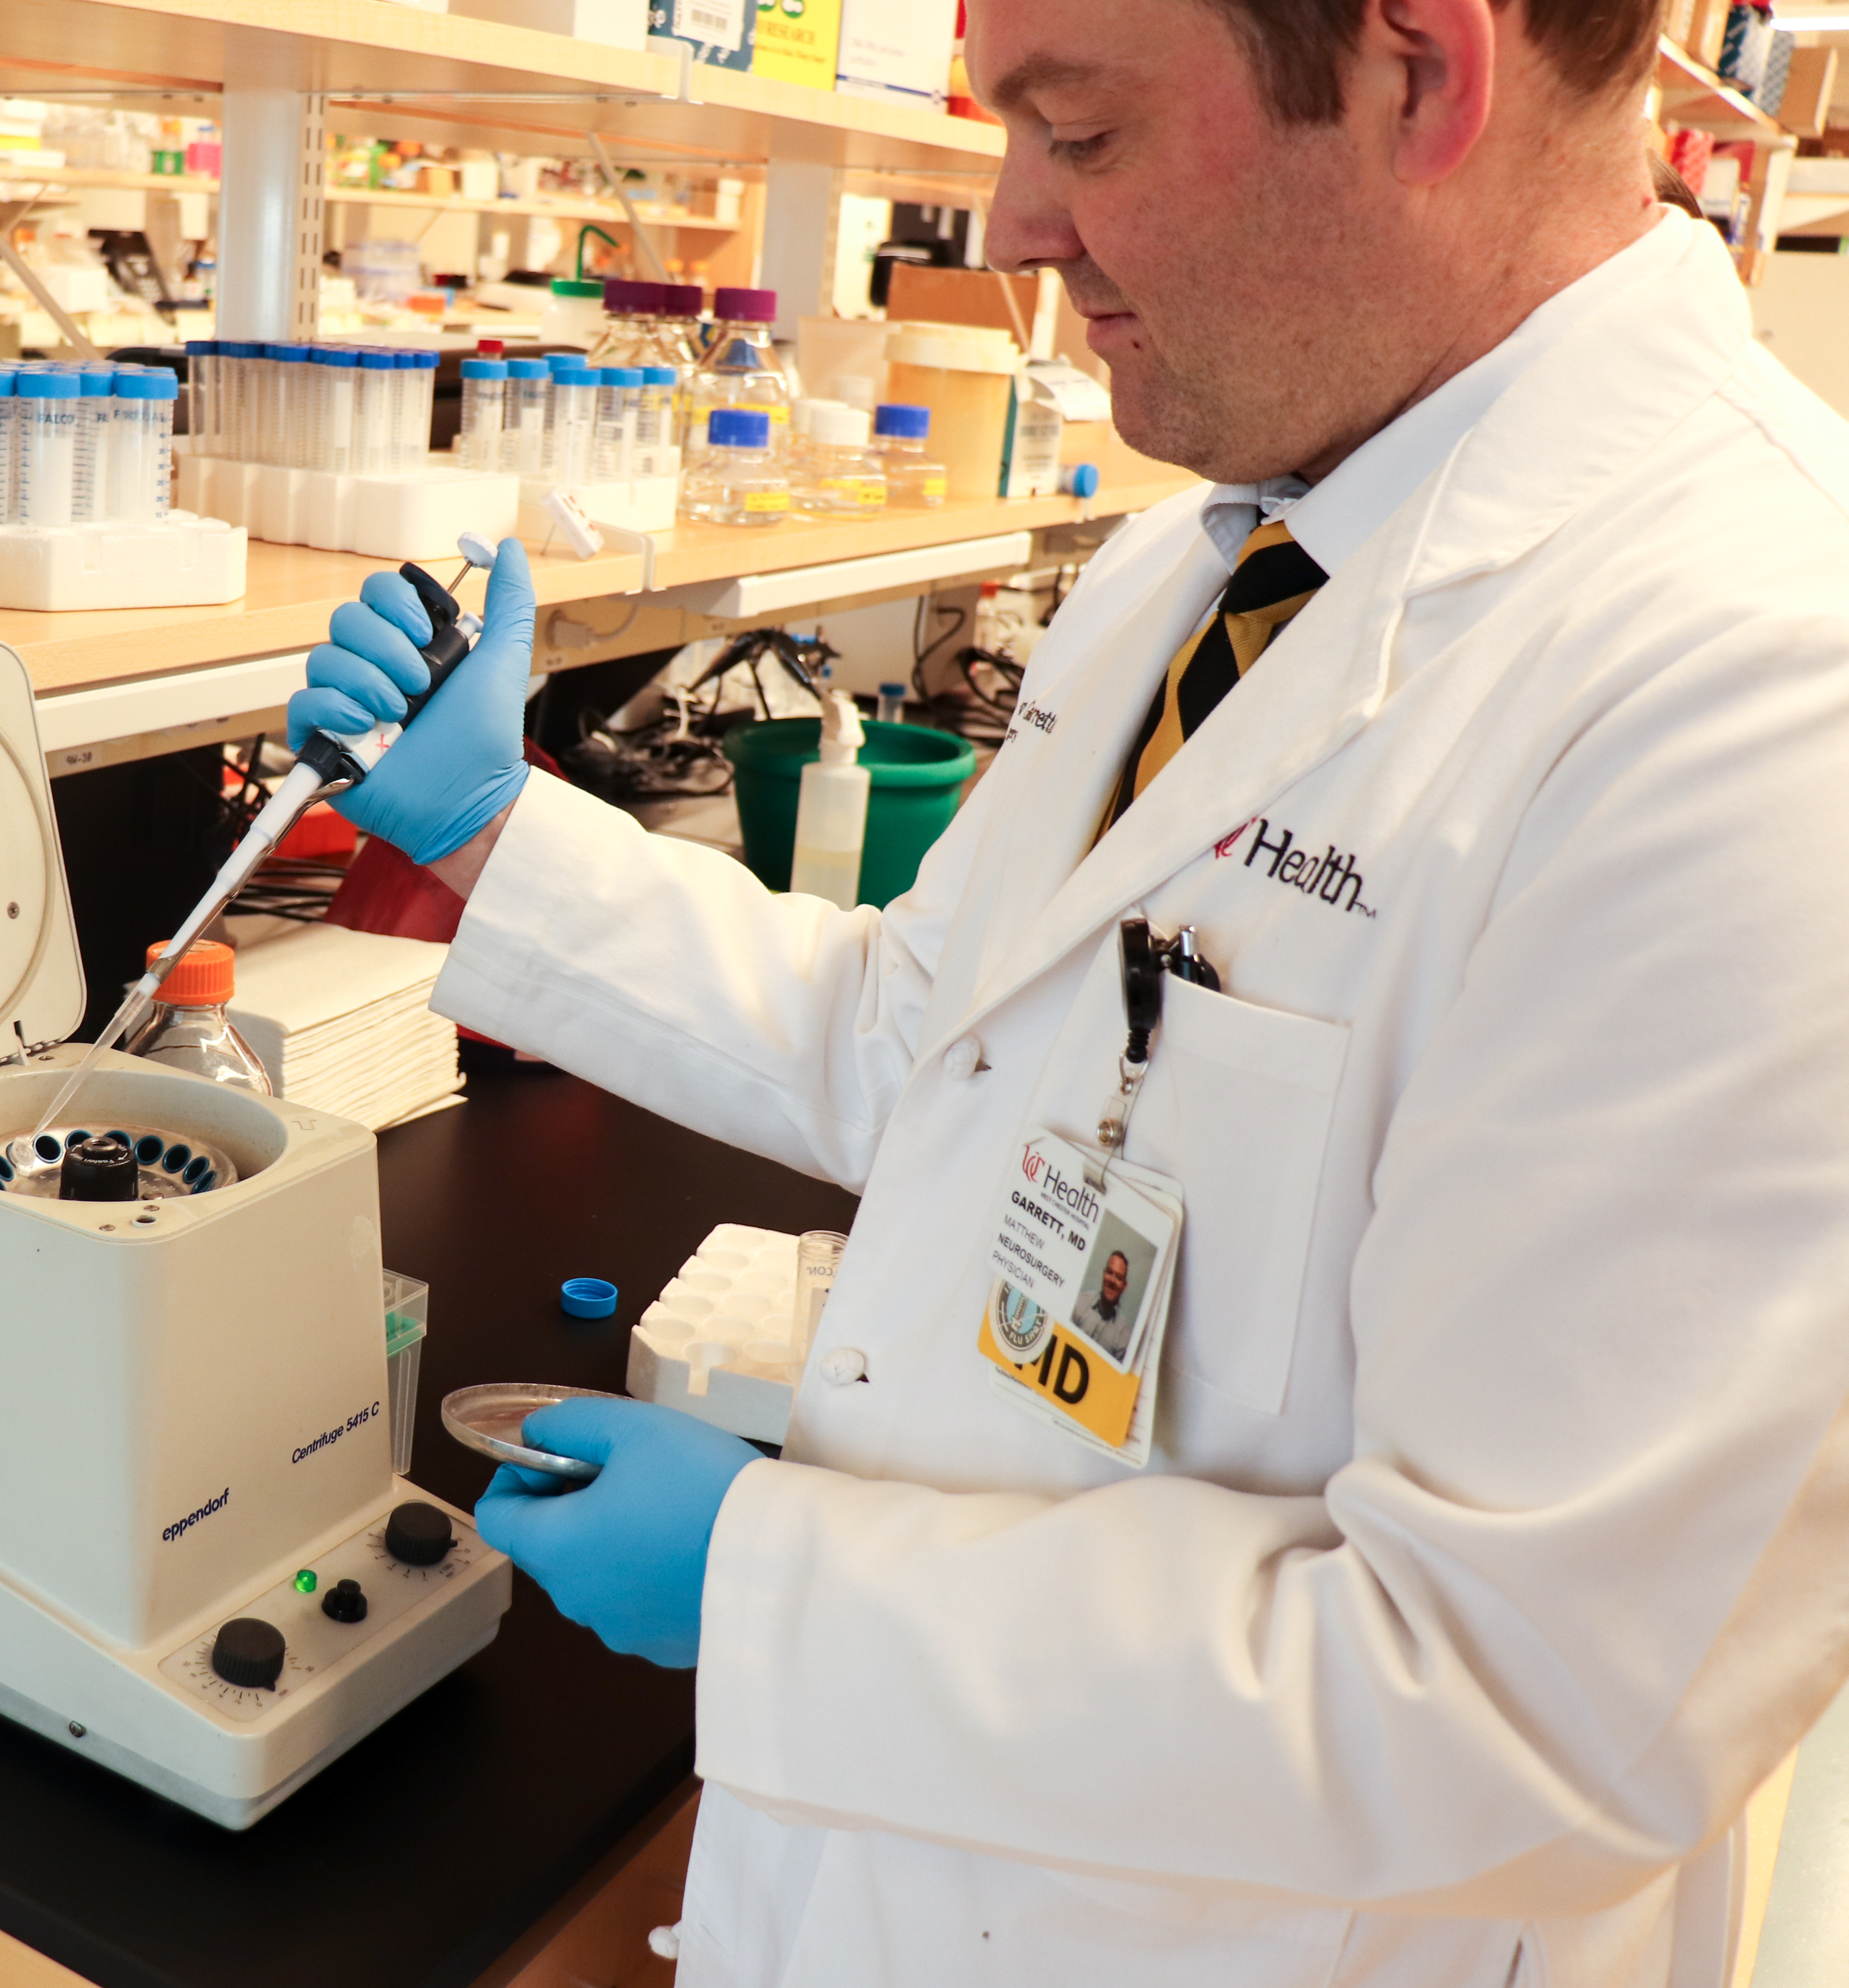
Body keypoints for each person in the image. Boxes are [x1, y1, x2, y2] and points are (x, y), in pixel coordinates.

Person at [288, 0, 1849, 1981]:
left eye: (1081, 133)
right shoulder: (1216, 551)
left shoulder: (1759, 689)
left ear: (1419, 75)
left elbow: (1526, 1704)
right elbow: (925, 1032)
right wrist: (499, 830)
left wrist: (780, 1588)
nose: (1012, 223)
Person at [1069, 1247, 1133, 1358]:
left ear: (1124, 1286)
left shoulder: (1124, 1337)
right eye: (1109, 1273)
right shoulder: (1080, 1302)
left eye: (1119, 1278)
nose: (1112, 1281)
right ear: (1104, 1274)